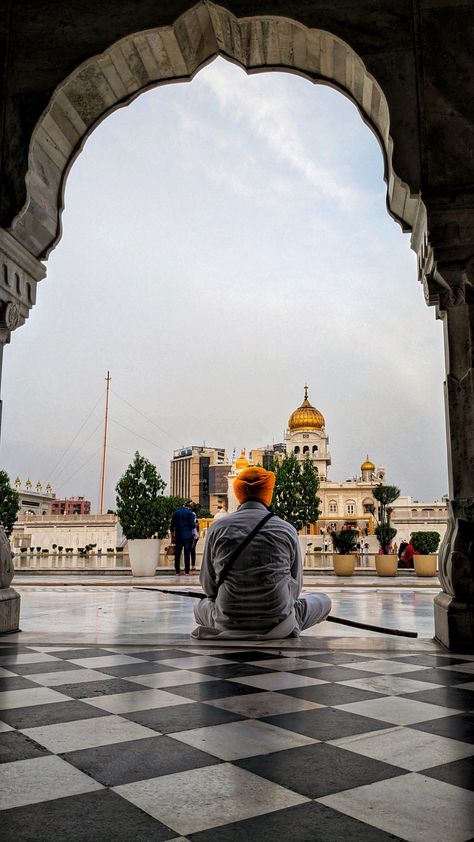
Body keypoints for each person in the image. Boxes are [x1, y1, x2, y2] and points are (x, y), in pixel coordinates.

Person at [193, 466, 331, 639]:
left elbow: (208, 586)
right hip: (278, 623)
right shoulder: (286, 529)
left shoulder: (217, 528)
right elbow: (295, 587)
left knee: (199, 606)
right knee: (324, 600)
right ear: (268, 493)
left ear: (238, 494)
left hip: (227, 621)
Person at [171, 500, 196, 575]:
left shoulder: (176, 513)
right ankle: (187, 571)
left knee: (177, 553)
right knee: (187, 553)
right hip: (188, 536)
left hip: (178, 536)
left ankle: (177, 571)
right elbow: (192, 525)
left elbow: (172, 526)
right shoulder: (190, 513)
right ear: (190, 507)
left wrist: (172, 537)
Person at [190, 503, 199, 573]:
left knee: (191, 550)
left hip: (193, 535)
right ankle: (192, 565)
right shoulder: (194, 516)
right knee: (192, 550)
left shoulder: (192, 515)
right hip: (194, 535)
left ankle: (191, 565)